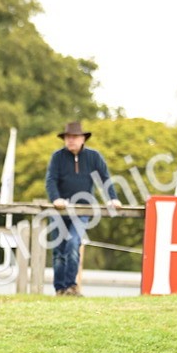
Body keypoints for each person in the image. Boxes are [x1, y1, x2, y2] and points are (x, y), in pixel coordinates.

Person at [45, 121, 120, 296]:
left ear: (82, 139)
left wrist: (113, 199)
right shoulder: (57, 157)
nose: (70, 140)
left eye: (74, 137)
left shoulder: (94, 157)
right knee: (58, 251)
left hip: (83, 210)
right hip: (59, 211)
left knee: (73, 244)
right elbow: (51, 180)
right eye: (67, 137)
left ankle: (71, 286)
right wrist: (56, 198)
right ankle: (60, 289)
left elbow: (105, 178)